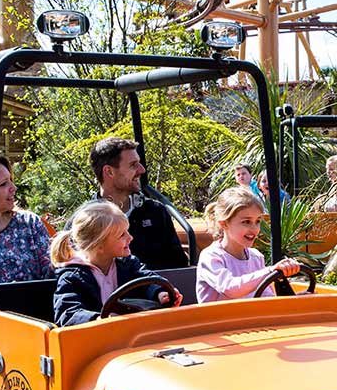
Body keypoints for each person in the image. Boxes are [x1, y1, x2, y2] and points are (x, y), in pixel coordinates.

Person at [52, 200, 183, 326]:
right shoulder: (72, 277)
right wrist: (98, 320)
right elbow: (67, 313)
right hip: (94, 341)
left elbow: (147, 280)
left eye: (128, 231)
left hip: (133, 334)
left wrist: (160, 292)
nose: (130, 238)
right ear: (99, 245)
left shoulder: (128, 264)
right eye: (122, 235)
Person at [89, 137, 188, 271]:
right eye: (133, 165)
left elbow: (180, 270)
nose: (142, 170)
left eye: (139, 163)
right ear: (109, 172)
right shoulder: (85, 221)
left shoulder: (156, 212)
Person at [0, 155, 52, 301]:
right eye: (3, 184)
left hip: (41, 311)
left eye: (11, 181)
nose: (13, 188)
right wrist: (6, 297)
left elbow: (52, 269)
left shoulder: (29, 223)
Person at [196, 186, 300, 303]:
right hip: (219, 320)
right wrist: (270, 270)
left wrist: (295, 299)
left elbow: (267, 298)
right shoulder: (211, 257)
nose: (254, 229)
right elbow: (230, 288)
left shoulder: (256, 257)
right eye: (246, 222)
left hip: (253, 319)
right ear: (224, 224)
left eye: (257, 221)